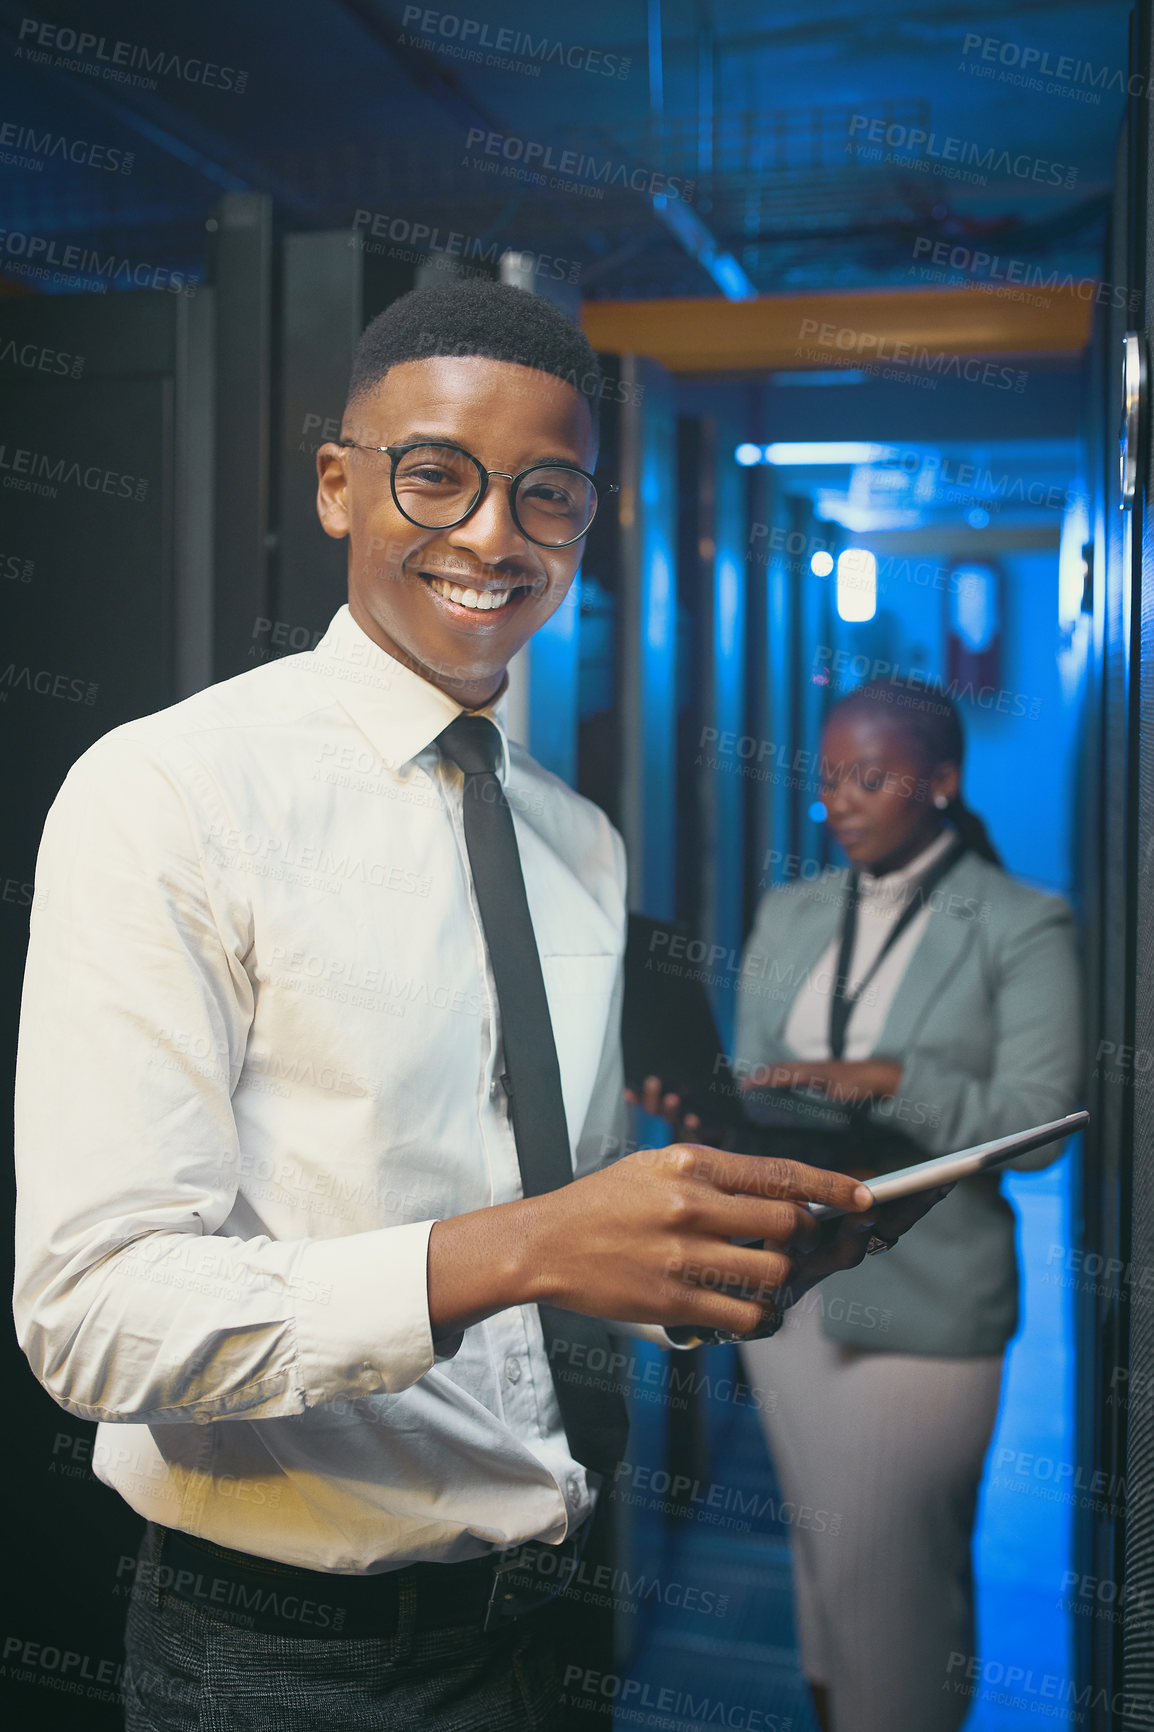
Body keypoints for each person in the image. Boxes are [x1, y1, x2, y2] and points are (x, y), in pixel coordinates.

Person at [12, 282, 939, 1732]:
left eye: (546, 493)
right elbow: (93, 1317)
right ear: (338, 485)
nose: (493, 533)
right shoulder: (172, 794)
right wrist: (519, 1248)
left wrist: (703, 1265)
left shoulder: (575, 840)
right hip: (282, 1661)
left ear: (586, 521)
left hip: (544, 1619)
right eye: (434, 473)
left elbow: (540, 1250)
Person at [733, 674, 1083, 1732]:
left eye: (869, 777)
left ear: (939, 780)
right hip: (787, 1299)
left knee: (899, 1586)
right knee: (827, 1576)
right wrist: (699, 1102)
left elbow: (1039, 1116)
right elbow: (756, 1076)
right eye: (828, 776)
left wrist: (892, 1079)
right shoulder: (787, 910)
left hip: (926, 1314)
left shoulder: (1022, 922)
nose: (837, 800)